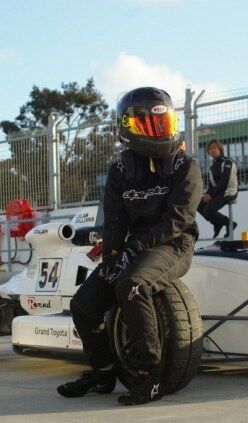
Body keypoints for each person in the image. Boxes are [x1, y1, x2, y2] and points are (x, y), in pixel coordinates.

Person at [57, 87, 203, 405]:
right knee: (83, 305)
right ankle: (103, 372)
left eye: (161, 123)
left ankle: (149, 376)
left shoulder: (186, 167)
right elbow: (114, 222)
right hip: (132, 248)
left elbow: (178, 220)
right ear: (128, 127)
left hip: (174, 244)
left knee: (133, 284)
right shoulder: (120, 170)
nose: (157, 132)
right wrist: (112, 255)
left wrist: (133, 250)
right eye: (147, 125)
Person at [197, 139, 238, 238]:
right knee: (198, 204)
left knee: (209, 209)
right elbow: (211, 185)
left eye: (214, 147)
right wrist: (206, 195)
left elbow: (224, 181)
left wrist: (211, 195)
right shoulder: (212, 167)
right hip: (217, 193)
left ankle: (229, 223)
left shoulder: (228, 162)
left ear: (220, 149)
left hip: (229, 191)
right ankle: (217, 223)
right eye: (210, 149)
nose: (212, 150)